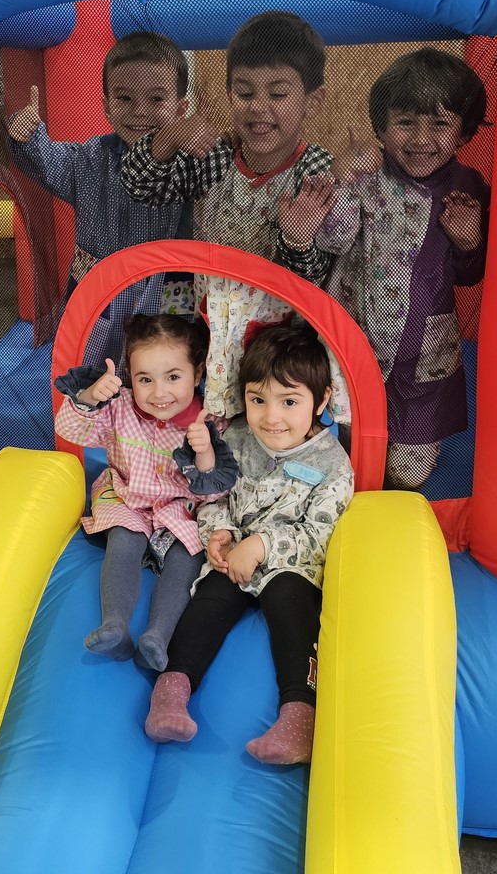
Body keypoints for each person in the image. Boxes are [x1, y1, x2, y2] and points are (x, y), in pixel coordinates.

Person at [120, 10, 350, 423]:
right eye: (244, 93)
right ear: (229, 95)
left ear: (312, 102)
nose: (259, 108)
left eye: (277, 94)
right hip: (213, 323)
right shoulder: (218, 158)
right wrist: (169, 136)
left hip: (280, 339)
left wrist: (297, 237)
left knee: (270, 419)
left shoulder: (313, 171)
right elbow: (139, 185)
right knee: (217, 421)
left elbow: (315, 279)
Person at [145, 324, 354, 765]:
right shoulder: (236, 438)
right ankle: (171, 691)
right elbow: (213, 495)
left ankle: (299, 716)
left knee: (292, 606)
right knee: (207, 601)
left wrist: (262, 545)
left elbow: (321, 533)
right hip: (233, 556)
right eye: (258, 400)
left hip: (288, 565)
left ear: (321, 402)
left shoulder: (332, 463)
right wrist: (219, 533)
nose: (271, 417)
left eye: (289, 402)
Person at [285, 47, 490, 489]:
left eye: (440, 124)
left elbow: (471, 274)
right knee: (340, 447)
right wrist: (343, 178)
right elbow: (333, 240)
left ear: (464, 131)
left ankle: (394, 506)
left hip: (424, 354)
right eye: (406, 122)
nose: (421, 138)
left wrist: (469, 241)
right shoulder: (369, 175)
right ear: (381, 127)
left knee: (408, 470)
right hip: (353, 338)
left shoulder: (468, 187)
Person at [54, 313, 238, 672]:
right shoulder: (120, 407)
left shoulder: (211, 422)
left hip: (182, 508)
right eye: (145, 379)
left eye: (173, 377)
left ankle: (157, 635)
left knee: (188, 555)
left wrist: (204, 453)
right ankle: (115, 625)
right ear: (130, 377)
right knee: (124, 540)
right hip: (128, 496)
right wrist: (90, 397)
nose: (159, 393)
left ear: (197, 373)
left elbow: (218, 489)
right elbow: (71, 429)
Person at [9, 31, 195, 369]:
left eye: (156, 99)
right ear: (107, 106)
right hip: (98, 296)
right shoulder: (91, 158)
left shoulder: (187, 165)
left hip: (163, 296)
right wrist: (28, 136)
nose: (139, 111)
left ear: (181, 108)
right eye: (124, 98)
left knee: (160, 373)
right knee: (89, 371)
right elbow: (49, 162)